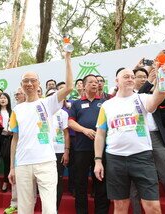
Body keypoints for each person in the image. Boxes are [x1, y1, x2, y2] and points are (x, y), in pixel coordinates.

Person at [94, 67, 165, 214]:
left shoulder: (142, 98)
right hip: (115, 159)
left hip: (142, 157)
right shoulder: (106, 105)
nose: (130, 79)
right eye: (126, 76)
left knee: (153, 207)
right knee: (120, 206)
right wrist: (98, 160)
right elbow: (100, 133)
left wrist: (163, 76)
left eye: (132, 77)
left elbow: (160, 95)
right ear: (117, 81)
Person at [8, 52, 73, 214]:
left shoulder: (47, 103)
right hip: (22, 164)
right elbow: (15, 139)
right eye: (25, 81)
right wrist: (12, 167)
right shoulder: (17, 110)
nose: (29, 83)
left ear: (38, 84)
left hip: (46, 162)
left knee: (49, 208)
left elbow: (69, 87)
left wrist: (67, 58)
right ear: (21, 85)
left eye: (33, 80)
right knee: (25, 208)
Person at [130, 66, 165, 214]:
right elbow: (138, 97)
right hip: (135, 138)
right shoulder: (127, 96)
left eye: (144, 76)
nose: (142, 79)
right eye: (139, 76)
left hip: (154, 137)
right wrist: (150, 82)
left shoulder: (154, 94)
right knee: (134, 183)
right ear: (132, 79)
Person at [68, 74, 110, 214]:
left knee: (101, 181)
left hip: (102, 149)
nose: (95, 84)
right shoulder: (77, 103)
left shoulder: (105, 103)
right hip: (81, 148)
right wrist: (84, 130)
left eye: (97, 82)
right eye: (91, 82)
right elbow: (70, 122)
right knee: (81, 183)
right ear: (84, 85)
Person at [46, 88, 70, 210]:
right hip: (45, 152)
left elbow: (66, 133)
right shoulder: (43, 112)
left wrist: (66, 151)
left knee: (58, 180)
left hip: (59, 151)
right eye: (50, 95)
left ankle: (55, 208)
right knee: (46, 182)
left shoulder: (64, 113)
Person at [4, 88, 26, 214]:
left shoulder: (34, 107)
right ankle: (15, 204)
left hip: (31, 150)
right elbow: (11, 131)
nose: (17, 96)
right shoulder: (15, 110)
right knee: (16, 177)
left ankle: (28, 204)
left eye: (19, 93)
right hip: (17, 146)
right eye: (15, 94)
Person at [0, 93, 12, 192]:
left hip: (8, 138)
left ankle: (6, 182)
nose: (3, 100)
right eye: (1, 98)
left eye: (5, 98)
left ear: (8, 100)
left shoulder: (12, 111)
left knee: (7, 161)